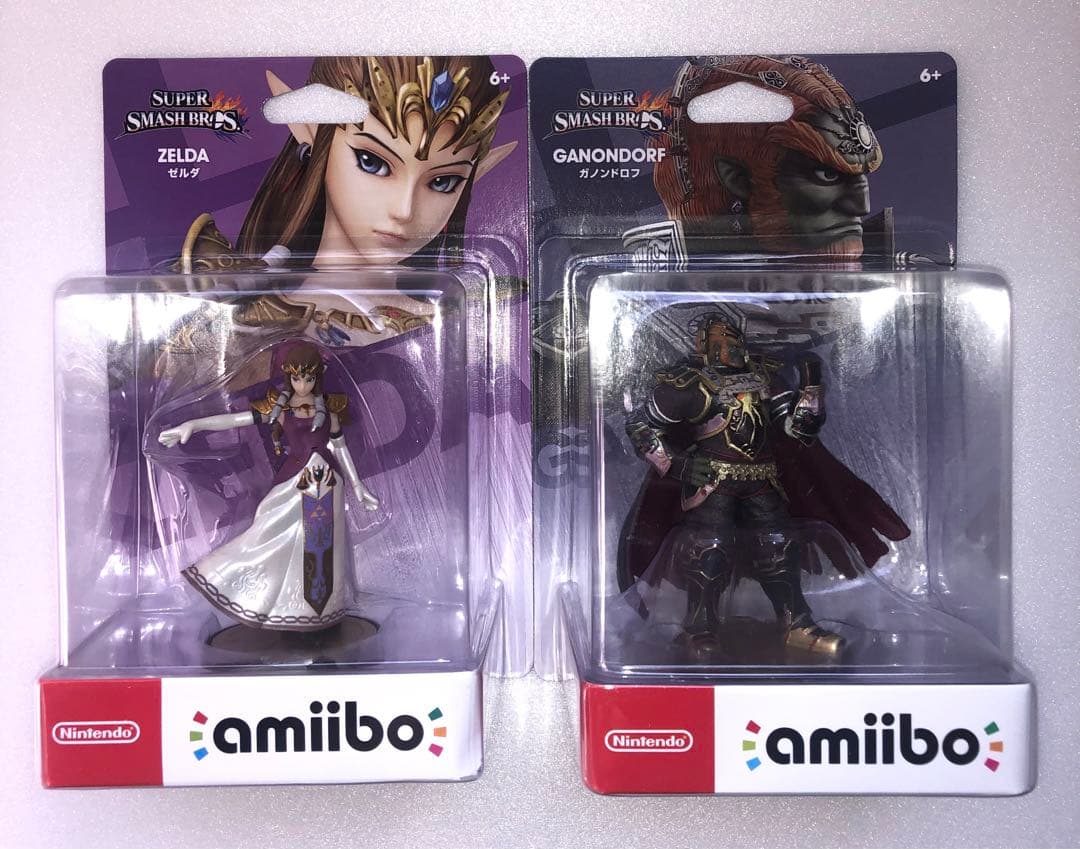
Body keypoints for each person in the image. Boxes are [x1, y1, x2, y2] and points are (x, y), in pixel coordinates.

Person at [158, 342, 378, 631]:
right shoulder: (281, 410)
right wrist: (193, 425)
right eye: (297, 378)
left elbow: (340, 447)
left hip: (328, 483)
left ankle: (319, 609)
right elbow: (236, 420)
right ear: (289, 377)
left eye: (308, 378)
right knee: (268, 534)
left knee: (323, 547)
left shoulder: (331, 411)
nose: (302, 385)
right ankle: (249, 587)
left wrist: (358, 486)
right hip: (294, 484)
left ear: (317, 377)